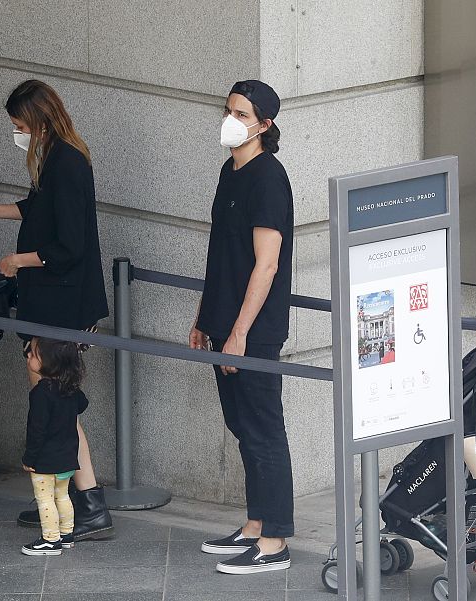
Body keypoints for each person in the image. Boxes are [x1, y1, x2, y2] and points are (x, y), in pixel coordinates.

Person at [0, 79, 112, 541]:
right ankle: (72, 501)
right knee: (57, 404)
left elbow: (67, 246)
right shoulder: (60, 158)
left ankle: (84, 505)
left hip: (58, 303)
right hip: (53, 302)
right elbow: (37, 210)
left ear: (39, 121)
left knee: (56, 406)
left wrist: (16, 261)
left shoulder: (65, 163)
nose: (17, 134)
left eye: (19, 125)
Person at [188, 80, 295, 574]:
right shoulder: (229, 172)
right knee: (241, 428)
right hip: (224, 323)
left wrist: (239, 334)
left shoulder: (268, 179)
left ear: (265, 125)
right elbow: (220, 258)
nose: (230, 119)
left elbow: (265, 265)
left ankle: (274, 543)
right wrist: (206, 319)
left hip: (253, 331)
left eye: (242, 114)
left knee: (262, 430)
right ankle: (254, 525)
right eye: (228, 109)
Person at [20, 337, 89, 555]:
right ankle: (66, 533)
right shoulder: (69, 389)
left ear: (48, 362)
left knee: (45, 498)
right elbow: (83, 404)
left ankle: (50, 539)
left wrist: (29, 459)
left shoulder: (41, 393)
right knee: (63, 495)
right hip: (68, 456)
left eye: (33, 354)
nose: (28, 356)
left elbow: (36, 430)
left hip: (46, 460)